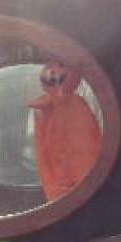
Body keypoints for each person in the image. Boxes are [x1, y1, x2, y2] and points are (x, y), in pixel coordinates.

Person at [29, 60, 102, 201]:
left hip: (75, 186)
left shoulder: (75, 106)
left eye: (61, 65)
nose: (53, 71)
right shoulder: (45, 106)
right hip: (66, 187)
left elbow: (85, 151)